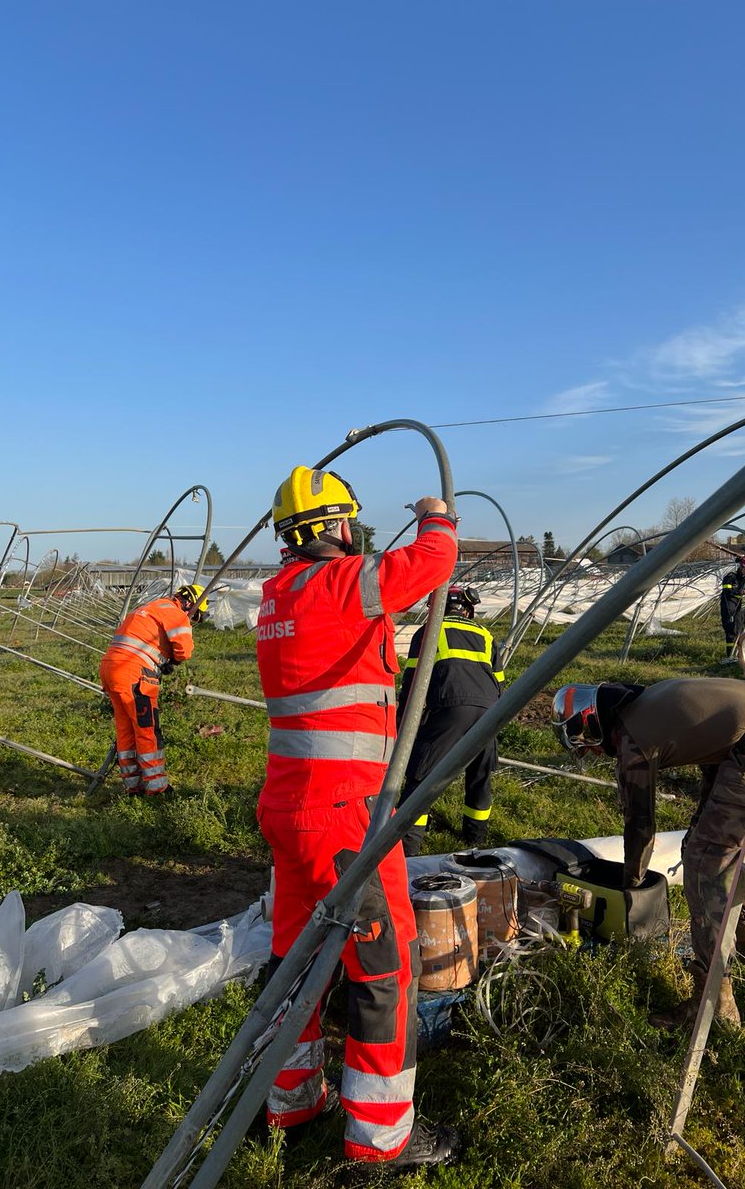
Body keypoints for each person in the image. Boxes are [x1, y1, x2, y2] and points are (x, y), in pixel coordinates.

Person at [255, 465, 461, 1169]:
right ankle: (381, 1140)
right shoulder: (341, 585)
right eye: (350, 523)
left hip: (288, 808)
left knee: (294, 956)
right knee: (382, 968)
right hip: (344, 816)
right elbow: (434, 559)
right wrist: (436, 513)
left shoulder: (277, 597)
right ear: (334, 528)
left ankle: (289, 1101)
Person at [551, 677, 745, 1029]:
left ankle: (713, 1003)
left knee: (706, 861)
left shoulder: (633, 741)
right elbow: (716, 740)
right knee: (742, 846)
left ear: (593, 726)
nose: (592, 753)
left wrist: (633, 880)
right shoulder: (650, 702)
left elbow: (640, 824)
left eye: (587, 746)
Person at [397, 584, 504, 856]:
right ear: (468, 610)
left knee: (421, 776)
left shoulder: (429, 632)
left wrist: (402, 727)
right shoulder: (485, 634)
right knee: (479, 777)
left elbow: (411, 684)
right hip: (490, 711)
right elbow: (499, 682)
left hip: (450, 708)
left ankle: (408, 846)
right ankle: (474, 839)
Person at [98, 584, 206, 795]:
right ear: (190, 605)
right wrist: (172, 658)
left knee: (126, 728)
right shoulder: (176, 613)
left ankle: (133, 785)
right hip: (133, 673)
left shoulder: (153, 606)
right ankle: (157, 788)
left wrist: (161, 658)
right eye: (195, 616)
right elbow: (184, 651)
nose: (193, 621)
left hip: (111, 668)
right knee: (147, 729)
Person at [719, 553, 745, 662]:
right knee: (731, 630)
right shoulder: (730, 577)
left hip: (738, 607)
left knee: (740, 628)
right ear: (741, 566)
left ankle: (739, 653)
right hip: (728, 606)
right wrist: (741, 592)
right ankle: (730, 654)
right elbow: (727, 591)